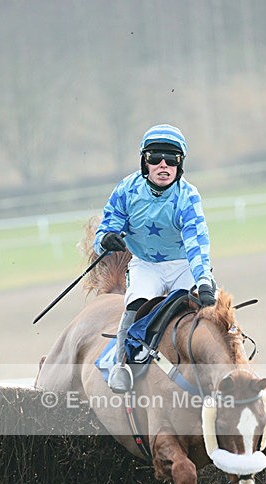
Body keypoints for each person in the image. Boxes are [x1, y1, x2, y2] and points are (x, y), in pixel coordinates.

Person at [94, 123, 215, 393]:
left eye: (171, 159)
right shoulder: (127, 190)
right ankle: (122, 365)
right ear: (144, 162)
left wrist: (204, 280)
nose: (163, 165)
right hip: (146, 265)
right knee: (135, 307)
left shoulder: (188, 196)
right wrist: (105, 239)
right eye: (155, 157)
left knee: (207, 309)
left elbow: (196, 244)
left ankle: (227, 362)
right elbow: (106, 227)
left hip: (184, 265)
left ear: (180, 164)